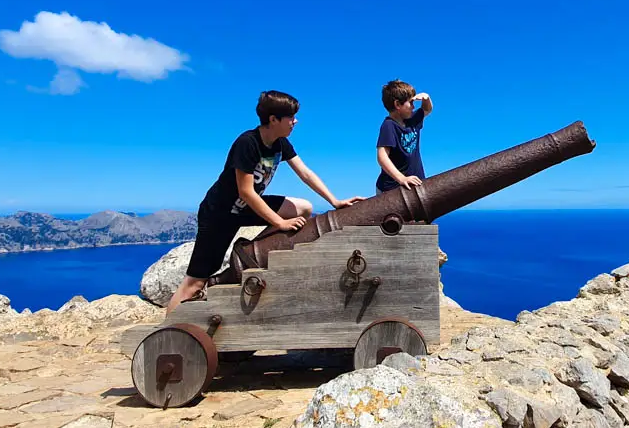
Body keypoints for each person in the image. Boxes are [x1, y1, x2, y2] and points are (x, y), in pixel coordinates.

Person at [166, 90, 365, 315]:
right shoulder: (247, 143)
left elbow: (306, 174)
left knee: (304, 208)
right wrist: (279, 222)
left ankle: (259, 253)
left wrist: (335, 201)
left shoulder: (281, 144)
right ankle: (165, 334)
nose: (295, 121)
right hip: (220, 214)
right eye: (290, 117)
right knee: (195, 283)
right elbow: (246, 192)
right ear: (273, 119)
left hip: (247, 208)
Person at [375, 80, 433, 195]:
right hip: (391, 187)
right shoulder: (389, 126)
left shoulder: (412, 121)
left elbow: (427, 109)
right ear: (397, 104)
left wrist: (426, 98)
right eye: (410, 103)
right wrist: (401, 179)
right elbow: (382, 157)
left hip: (414, 182)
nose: (413, 107)